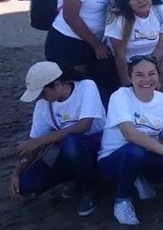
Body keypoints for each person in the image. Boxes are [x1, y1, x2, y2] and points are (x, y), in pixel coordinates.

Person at [98, 55, 163, 225]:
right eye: (139, 75)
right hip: (114, 158)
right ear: (130, 78)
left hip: (147, 154)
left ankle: (138, 177)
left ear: (158, 76)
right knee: (135, 152)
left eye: (152, 73)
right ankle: (122, 200)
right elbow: (130, 135)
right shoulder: (120, 97)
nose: (146, 79)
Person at [11, 62, 105, 217]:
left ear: (57, 85)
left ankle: (88, 190)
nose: (40, 98)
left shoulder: (86, 87)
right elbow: (32, 145)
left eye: (43, 93)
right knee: (26, 184)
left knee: (71, 142)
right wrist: (16, 173)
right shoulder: (43, 105)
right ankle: (74, 179)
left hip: (96, 146)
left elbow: (84, 126)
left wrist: (41, 140)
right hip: (70, 154)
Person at [44, 0, 118, 94]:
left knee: (97, 88)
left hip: (93, 43)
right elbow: (70, 16)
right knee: (72, 90)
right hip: (69, 43)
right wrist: (96, 44)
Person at [105, 0, 163, 91]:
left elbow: (161, 48)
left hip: (152, 60)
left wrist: (152, 74)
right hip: (124, 64)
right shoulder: (118, 19)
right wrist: (127, 82)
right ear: (127, 2)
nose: (141, 0)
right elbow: (119, 54)